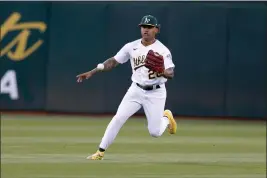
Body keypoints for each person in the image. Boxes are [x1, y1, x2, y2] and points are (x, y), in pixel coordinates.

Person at [76, 15, 177, 160]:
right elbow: (113, 61)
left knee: (154, 132)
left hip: (156, 92)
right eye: (143, 27)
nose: (145, 30)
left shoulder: (162, 50)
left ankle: (166, 118)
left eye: (149, 27)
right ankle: (100, 152)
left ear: (157, 29)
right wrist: (93, 72)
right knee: (118, 118)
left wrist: (162, 71)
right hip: (135, 90)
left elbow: (171, 73)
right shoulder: (131, 46)